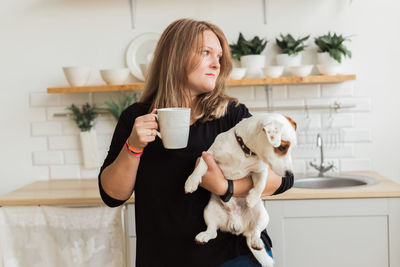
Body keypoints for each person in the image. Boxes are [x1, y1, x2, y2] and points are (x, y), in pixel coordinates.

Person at [98, 18, 293, 267]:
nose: (216, 63)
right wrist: (133, 146)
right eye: (206, 52)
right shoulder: (136, 118)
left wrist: (226, 186)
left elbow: (284, 178)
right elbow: (112, 195)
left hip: (232, 256)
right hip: (163, 258)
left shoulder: (232, 115)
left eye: (219, 57)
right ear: (176, 56)